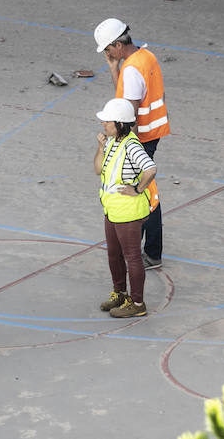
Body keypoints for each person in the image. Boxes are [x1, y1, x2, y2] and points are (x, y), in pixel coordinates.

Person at [95, 18, 171, 269]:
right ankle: (145, 249)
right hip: (153, 130)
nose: (108, 54)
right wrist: (113, 68)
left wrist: (125, 143)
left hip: (140, 136)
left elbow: (128, 111)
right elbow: (124, 97)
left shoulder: (132, 69)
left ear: (117, 44)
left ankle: (149, 252)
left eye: (108, 49)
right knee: (144, 190)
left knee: (141, 192)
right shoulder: (145, 57)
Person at [94, 98, 157, 318]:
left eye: (107, 121)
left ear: (120, 123)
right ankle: (120, 293)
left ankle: (137, 303)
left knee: (132, 257)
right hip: (112, 210)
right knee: (114, 255)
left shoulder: (131, 145)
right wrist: (100, 147)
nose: (103, 124)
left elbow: (150, 169)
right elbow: (98, 169)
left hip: (128, 212)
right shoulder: (112, 141)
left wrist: (137, 190)